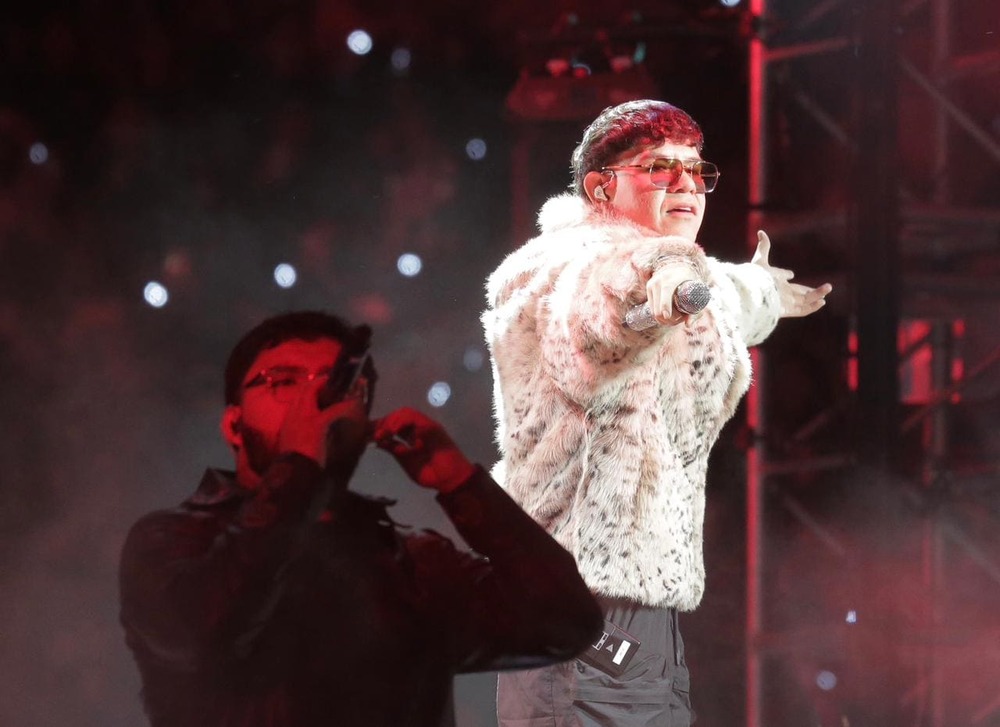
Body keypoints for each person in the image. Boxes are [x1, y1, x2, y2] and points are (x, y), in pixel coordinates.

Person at [482, 99, 833, 726]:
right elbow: (618, 302)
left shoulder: (678, 274)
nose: (686, 185)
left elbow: (716, 293)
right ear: (600, 185)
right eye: (659, 168)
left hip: (636, 626)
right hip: (580, 611)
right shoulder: (567, 269)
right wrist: (669, 284)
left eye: (697, 171)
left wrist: (759, 293)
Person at [118, 311, 602, 727]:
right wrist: (299, 467)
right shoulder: (174, 540)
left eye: (338, 385)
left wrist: (461, 485)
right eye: (283, 382)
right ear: (233, 424)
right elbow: (205, 632)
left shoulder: (412, 560)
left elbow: (564, 624)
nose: (315, 403)